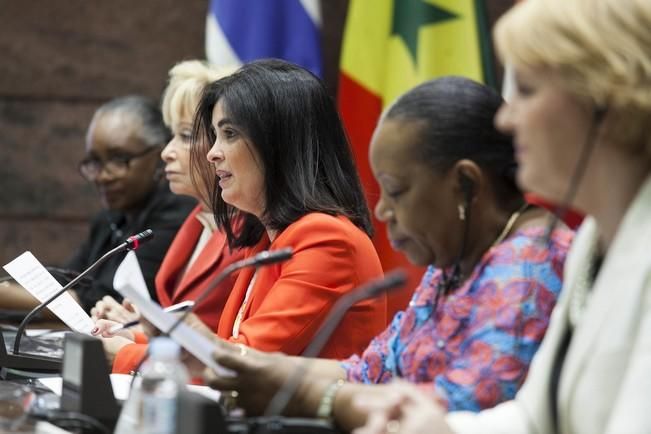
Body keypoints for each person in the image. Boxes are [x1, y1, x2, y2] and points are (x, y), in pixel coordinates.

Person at [351, 0, 651, 433]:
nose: (506, 119)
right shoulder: (593, 241)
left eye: (526, 91)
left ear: (606, 99)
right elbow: (535, 418)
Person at [201, 76, 573, 417]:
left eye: (395, 191)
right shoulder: (454, 261)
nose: (381, 210)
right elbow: (372, 370)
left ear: (465, 184)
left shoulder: (529, 265)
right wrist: (267, 370)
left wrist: (305, 393)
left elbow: (464, 410)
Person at [188, 59, 388, 359]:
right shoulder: (266, 240)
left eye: (229, 134)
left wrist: (126, 353)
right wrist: (132, 336)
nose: (213, 153)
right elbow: (230, 344)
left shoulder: (326, 238)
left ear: (279, 144)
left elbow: (245, 361)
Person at [89, 61, 245, 372]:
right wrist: (135, 325)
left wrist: (131, 344)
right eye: (171, 135)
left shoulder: (250, 233)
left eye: (185, 136)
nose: (166, 152)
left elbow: (233, 352)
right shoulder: (197, 221)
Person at [0, 96, 196, 314]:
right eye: (95, 161)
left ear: (159, 156)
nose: (102, 175)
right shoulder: (109, 220)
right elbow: (63, 283)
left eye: (119, 159)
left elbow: (101, 303)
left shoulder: (176, 213)